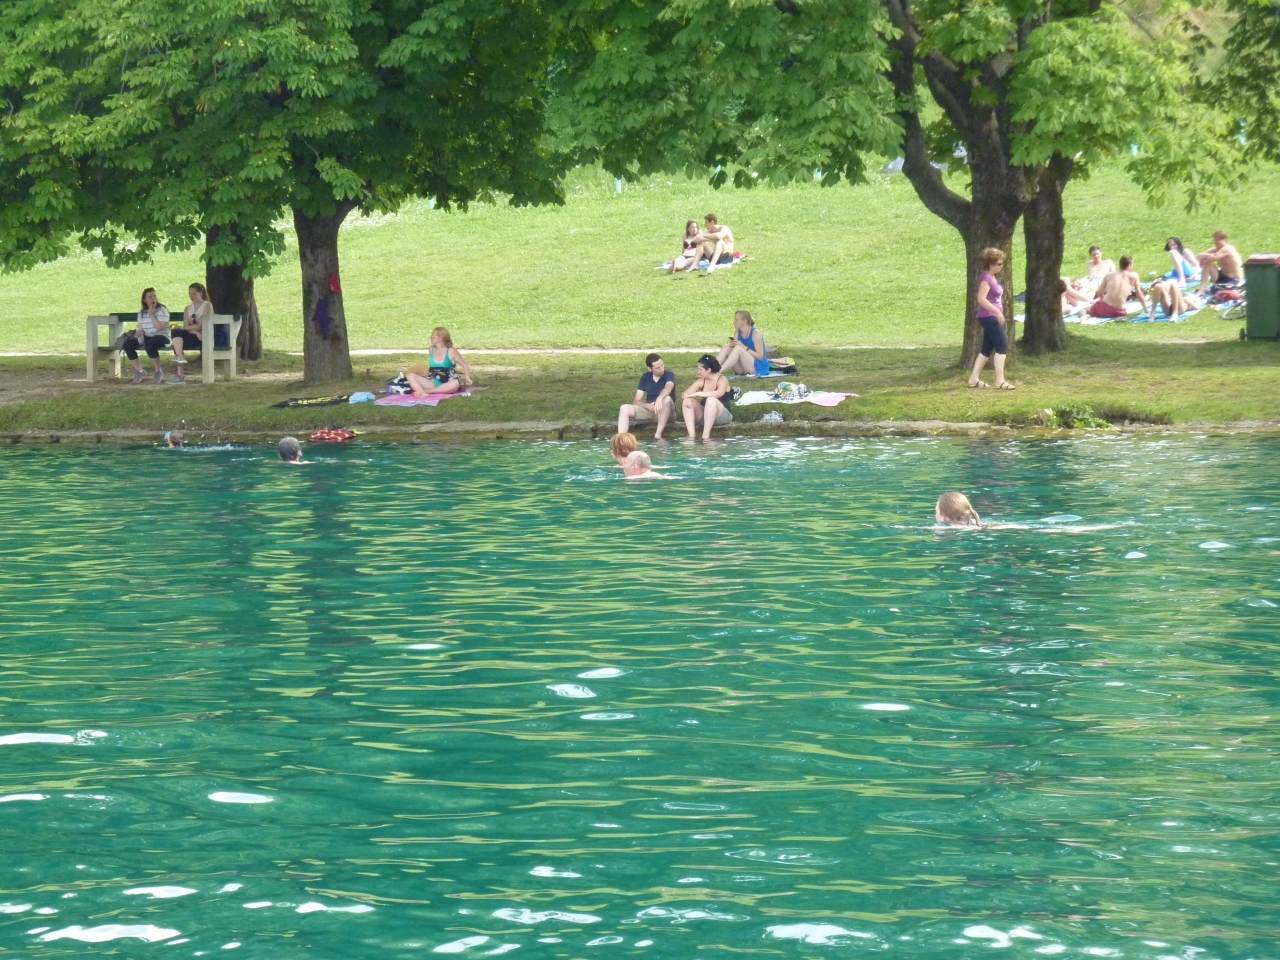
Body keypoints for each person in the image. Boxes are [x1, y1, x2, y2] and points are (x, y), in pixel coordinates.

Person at [967, 248, 1014, 390]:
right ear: (990, 264)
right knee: (1002, 346)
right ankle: (1000, 381)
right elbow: (981, 299)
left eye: (1002, 263)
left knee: (986, 349)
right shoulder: (986, 279)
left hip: (991, 316)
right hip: (989, 317)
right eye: (999, 264)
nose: (1001, 266)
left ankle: (973, 379)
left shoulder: (992, 278)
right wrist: (997, 312)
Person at [618, 353, 676, 439]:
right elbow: (636, 401)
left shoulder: (669, 374)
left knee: (666, 399)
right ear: (650, 369)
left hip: (666, 411)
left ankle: (658, 435)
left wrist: (660, 398)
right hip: (651, 410)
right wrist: (647, 406)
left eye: (662, 365)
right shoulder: (645, 377)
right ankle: (621, 439)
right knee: (624, 408)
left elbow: (669, 387)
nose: (662, 369)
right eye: (658, 368)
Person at [405, 327, 474, 398]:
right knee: (410, 375)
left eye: (433, 336)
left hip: (448, 382)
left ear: (441, 338)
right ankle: (423, 393)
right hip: (432, 382)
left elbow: (464, 364)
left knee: (455, 384)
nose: (430, 337)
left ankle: (426, 392)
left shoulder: (451, 351)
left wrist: (467, 378)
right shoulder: (431, 349)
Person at [168, 282, 216, 384]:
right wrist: (195, 332)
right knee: (176, 333)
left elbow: (201, 325)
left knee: (178, 342)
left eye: (194, 293)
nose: (191, 296)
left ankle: (179, 374)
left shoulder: (207, 306)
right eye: (190, 293)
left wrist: (191, 330)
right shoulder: (187, 309)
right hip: (195, 335)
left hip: (204, 337)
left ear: (201, 293)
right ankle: (180, 362)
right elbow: (186, 326)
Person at [123, 288, 171, 384]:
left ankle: (158, 371)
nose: (153, 298)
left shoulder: (162, 310)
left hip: (162, 336)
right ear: (145, 300)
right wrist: (138, 334)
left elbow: (159, 328)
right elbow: (141, 329)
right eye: (150, 297)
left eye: (154, 296)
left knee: (150, 344)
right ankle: (139, 371)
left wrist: (152, 315)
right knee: (128, 344)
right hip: (147, 336)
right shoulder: (142, 313)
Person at [681, 355, 733, 439]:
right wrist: (687, 397)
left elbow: (718, 393)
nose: (698, 372)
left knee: (711, 400)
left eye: (700, 369)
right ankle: (691, 436)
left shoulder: (722, 379)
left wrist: (697, 394)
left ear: (708, 370)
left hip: (722, 416)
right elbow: (685, 393)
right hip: (706, 416)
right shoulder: (702, 380)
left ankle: (705, 436)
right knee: (687, 401)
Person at [1089, 255, 1147, 319]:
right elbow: (1139, 294)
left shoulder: (1109, 275)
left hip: (1103, 309)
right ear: (1129, 265)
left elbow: (1099, 293)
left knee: (1085, 309)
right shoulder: (1134, 276)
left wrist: (1103, 303)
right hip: (1118, 312)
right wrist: (1146, 310)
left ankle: (1085, 317)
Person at [716, 310, 769, 377]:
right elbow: (734, 353)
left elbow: (760, 357)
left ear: (744, 321)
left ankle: (718, 372)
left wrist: (743, 347)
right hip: (743, 367)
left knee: (738, 348)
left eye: (736, 320)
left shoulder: (755, 333)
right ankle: (711, 368)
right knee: (727, 347)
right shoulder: (737, 332)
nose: (734, 322)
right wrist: (732, 345)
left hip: (758, 367)